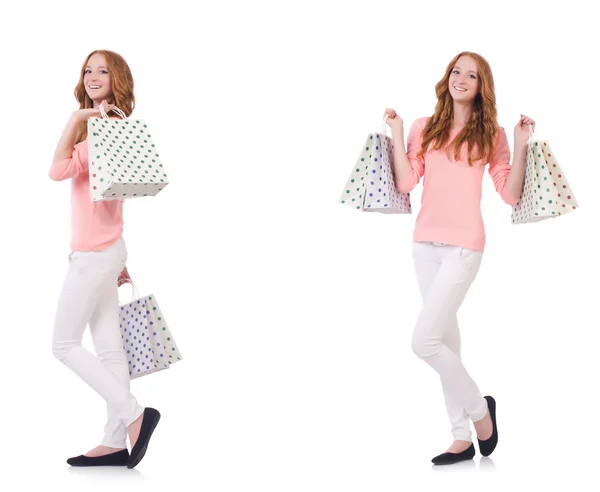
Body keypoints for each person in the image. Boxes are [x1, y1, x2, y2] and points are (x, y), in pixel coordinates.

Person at [384, 51, 535, 465]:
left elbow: (510, 194)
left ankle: (481, 412)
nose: (461, 79)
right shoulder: (423, 127)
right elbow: (406, 181)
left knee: (424, 342)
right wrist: (397, 133)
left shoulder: (493, 135)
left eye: (471, 75)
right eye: (456, 71)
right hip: (423, 245)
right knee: (445, 341)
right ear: (446, 77)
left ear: (482, 86)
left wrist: (520, 146)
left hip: (465, 246)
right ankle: (461, 438)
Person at [49, 50, 161, 469]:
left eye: (103, 70)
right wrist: (120, 256)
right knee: (110, 349)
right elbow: (115, 199)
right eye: (87, 70)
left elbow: (57, 170)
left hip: (93, 255)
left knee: (63, 344)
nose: (93, 75)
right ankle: (115, 441)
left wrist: (78, 119)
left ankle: (132, 413)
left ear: (117, 80)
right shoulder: (119, 127)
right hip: (109, 250)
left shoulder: (96, 129)